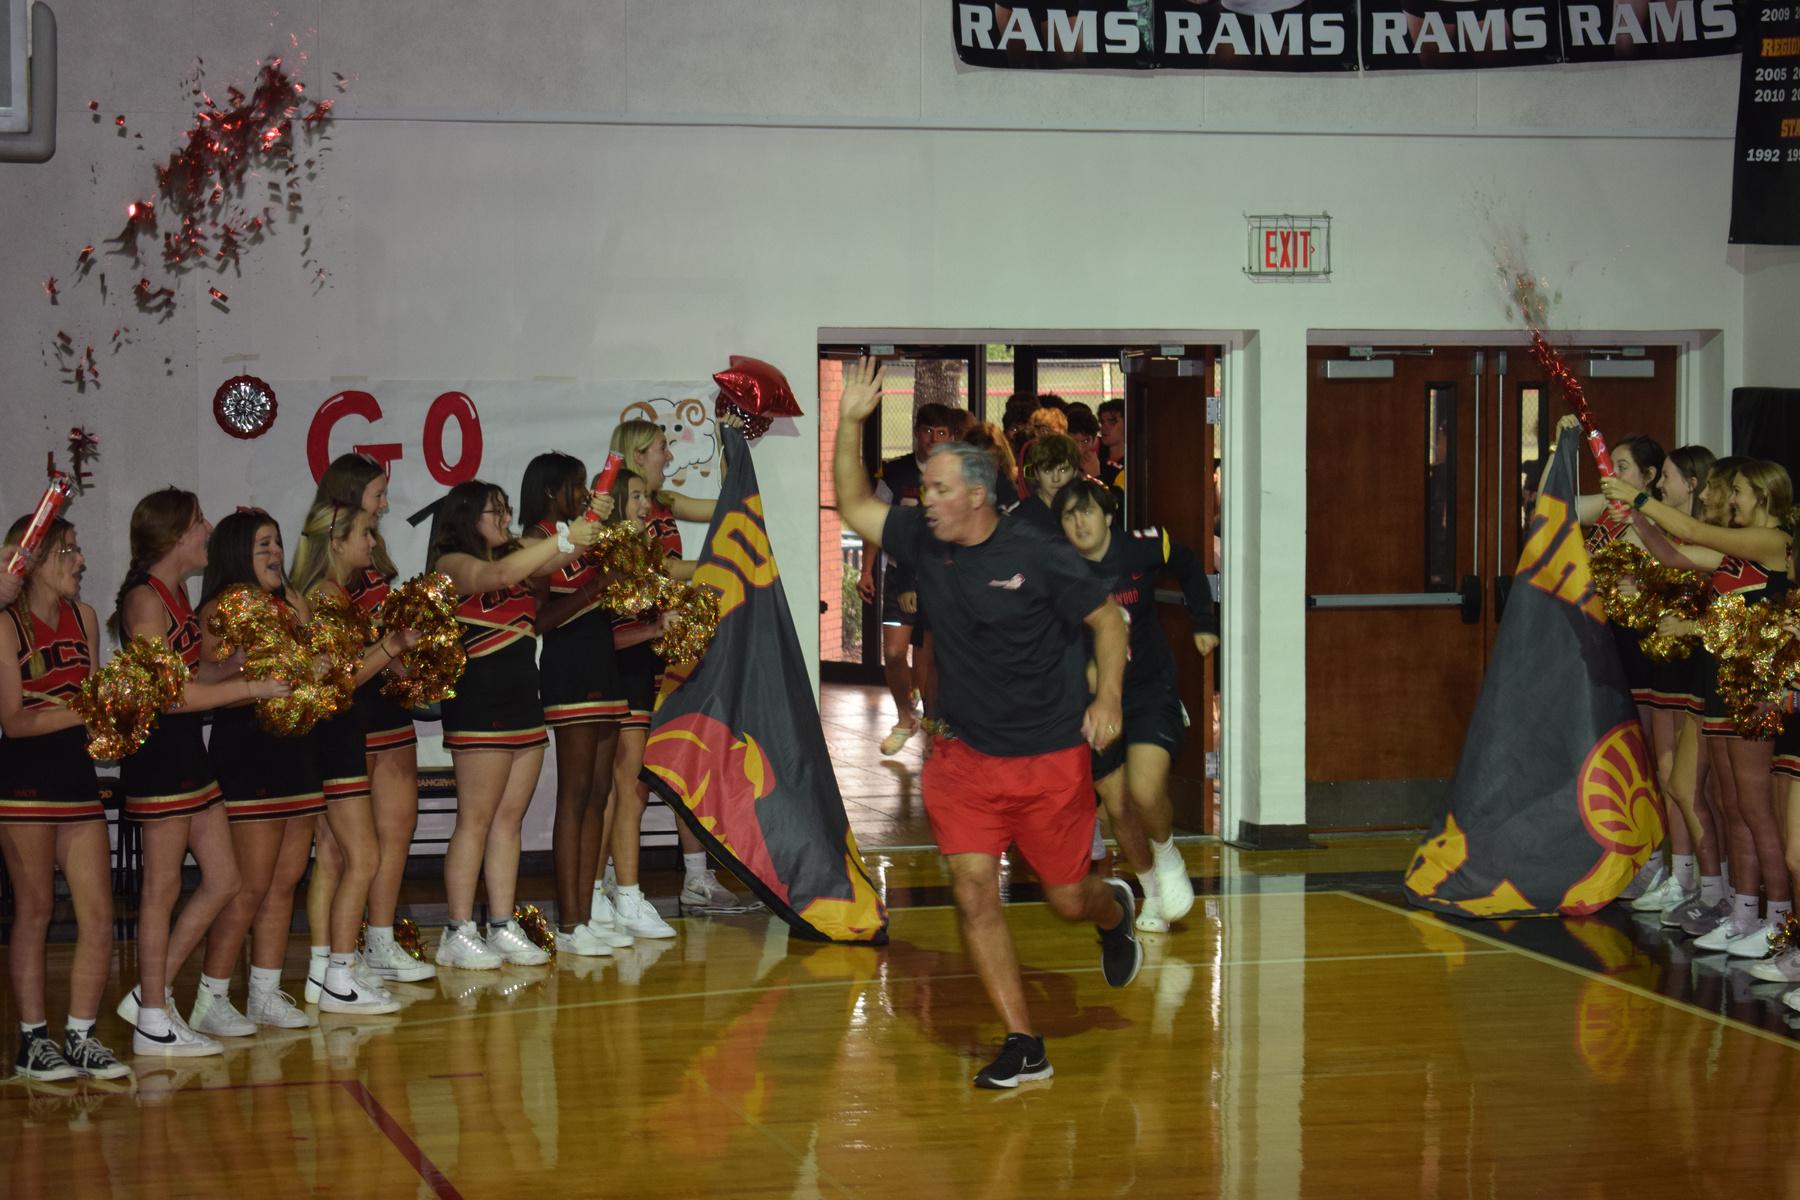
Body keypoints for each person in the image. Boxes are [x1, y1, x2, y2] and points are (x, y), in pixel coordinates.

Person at [832, 357, 1141, 1090]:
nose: (926, 499)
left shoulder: (1037, 550)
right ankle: (1025, 1044)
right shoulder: (924, 537)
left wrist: (1108, 700)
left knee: (1067, 898)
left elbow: (1109, 622)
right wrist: (847, 423)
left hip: (1047, 759)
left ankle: (1113, 910)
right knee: (973, 892)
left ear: (977, 494)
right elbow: (851, 504)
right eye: (925, 488)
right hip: (964, 758)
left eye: (939, 489)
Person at [111, 490, 285, 1056]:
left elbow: (194, 674)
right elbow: (167, 697)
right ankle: (153, 1019)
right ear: (173, 537)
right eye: (198, 522)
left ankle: (150, 993)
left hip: (189, 753)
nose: (208, 530)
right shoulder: (144, 601)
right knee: (161, 889)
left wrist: (236, 664)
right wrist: (251, 686)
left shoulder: (177, 593)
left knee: (225, 880)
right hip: (160, 755)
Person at [1603, 460, 1794, 956]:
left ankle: (1777, 922)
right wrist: (1636, 518)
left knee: (1756, 811)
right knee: (1734, 806)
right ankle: (1744, 912)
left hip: (1754, 692)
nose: (1730, 499)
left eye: (1738, 491)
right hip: (1724, 689)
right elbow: (1673, 553)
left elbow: (1689, 530)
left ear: (1762, 496)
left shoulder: (1773, 542)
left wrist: (1639, 497)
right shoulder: (1737, 551)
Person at [428, 480, 601, 968]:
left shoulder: (517, 552)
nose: (505, 519)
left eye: (506, 510)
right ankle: (457, 930)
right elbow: (498, 575)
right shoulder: (451, 563)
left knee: (509, 820)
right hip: (479, 700)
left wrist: (592, 520)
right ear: (466, 517)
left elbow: (560, 556)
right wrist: (566, 536)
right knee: (476, 820)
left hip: (524, 697)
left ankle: (501, 925)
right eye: (495, 512)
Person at [0, 516, 131, 1081]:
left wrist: (121, 717)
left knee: (98, 914)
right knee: (35, 910)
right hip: (25, 783)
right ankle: (33, 1042)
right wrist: (86, 710)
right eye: (69, 551)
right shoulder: (6, 625)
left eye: (78, 549)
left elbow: (95, 702)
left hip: (77, 778)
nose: (81, 561)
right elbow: (13, 721)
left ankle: (80, 1035)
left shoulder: (86, 618)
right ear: (33, 561)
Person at [1055, 479, 1216, 932]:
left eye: (1088, 511)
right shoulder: (1056, 570)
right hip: (1094, 701)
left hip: (1149, 688)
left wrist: (1204, 621)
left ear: (1108, 516)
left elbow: (1187, 563)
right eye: (1069, 516)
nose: (1080, 523)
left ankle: (1167, 855)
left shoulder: (1140, 548)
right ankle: (1153, 894)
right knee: (1117, 803)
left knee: (1145, 791)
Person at [190, 511, 325, 1035]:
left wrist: (316, 665)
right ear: (236, 553)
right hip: (249, 751)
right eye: (262, 545)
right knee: (249, 885)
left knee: (285, 881)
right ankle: (211, 997)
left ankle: (264, 994)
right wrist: (253, 671)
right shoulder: (220, 608)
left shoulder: (291, 602)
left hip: (298, 751)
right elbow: (201, 680)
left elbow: (309, 667)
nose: (275, 554)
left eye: (277, 543)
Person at [606, 418, 748, 914]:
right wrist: (718, 568)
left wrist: (734, 444)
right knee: (633, 783)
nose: (669, 456)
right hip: (630, 652)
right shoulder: (615, 512)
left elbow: (733, 507)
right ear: (638, 455)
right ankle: (614, 883)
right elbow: (659, 572)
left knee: (685, 765)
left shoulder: (664, 502)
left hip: (668, 649)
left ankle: (696, 877)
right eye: (662, 448)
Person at [311, 454, 436, 986]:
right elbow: (339, 664)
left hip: (388, 705)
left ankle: (380, 940)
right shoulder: (322, 577)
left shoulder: (373, 556)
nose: (385, 505)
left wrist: (418, 659)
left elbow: (387, 638)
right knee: (338, 850)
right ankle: (327, 961)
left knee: (397, 828)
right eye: (377, 495)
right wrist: (388, 644)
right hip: (347, 716)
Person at [290, 500, 417, 1014]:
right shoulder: (323, 596)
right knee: (359, 857)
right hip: (331, 737)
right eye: (364, 533)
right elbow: (337, 680)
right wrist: (390, 647)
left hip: (343, 734)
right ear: (336, 542)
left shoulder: (335, 593)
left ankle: (328, 971)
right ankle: (337, 976)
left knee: (339, 856)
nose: (372, 541)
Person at [517, 451, 626, 957]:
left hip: (604, 663)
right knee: (575, 795)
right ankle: (568, 921)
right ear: (549, 490)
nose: (584, 493)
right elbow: (537, 620)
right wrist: (595, 590)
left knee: (600, 794)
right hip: (570, 669)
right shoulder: (538, 539)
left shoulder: (585, 533)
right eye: (576, 485)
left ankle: (585, 914)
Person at [860, 403, 957, 756]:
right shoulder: (895, 471)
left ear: (951, 437)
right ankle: (905, 717)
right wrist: (866, 570)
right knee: (894, 651)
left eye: (941, 433)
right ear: (916, 432)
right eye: (928, 431)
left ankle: (933, 723)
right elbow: (876, 521)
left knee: (932, 657)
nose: (933, 439)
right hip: (898, 574)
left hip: (941, 577)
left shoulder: (957, 474)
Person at [1015, 434, 1082, 535]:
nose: (1056, 479)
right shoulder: (1021, 518)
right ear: (1036, 474)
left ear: (1075, 472)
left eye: (1063, 470)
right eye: (1047, 470)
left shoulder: (1086, 508)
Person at [1065, 404, 1103, 479]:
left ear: (1094, 441)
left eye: (1085, 441)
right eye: (1073, 441)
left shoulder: (1104, 461)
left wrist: (1095, 475)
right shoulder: (1055, 460)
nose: (1079, 449)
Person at [1096, 398, 1126, 490]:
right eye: (1102, 422)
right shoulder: (1096, 454)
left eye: (1111, 422)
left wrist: (1096, 476)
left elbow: (1117, 498)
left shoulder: (1133, 462)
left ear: (1127, 423)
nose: (1104, 427)